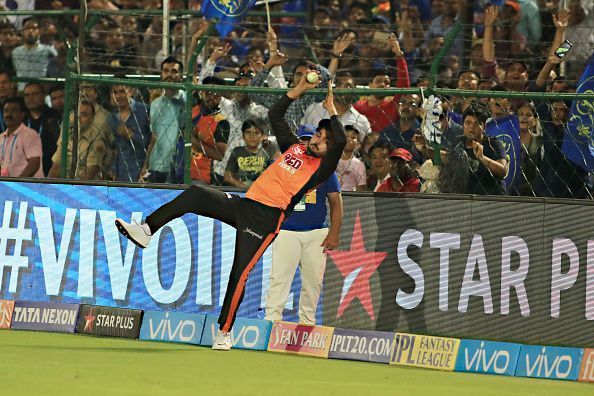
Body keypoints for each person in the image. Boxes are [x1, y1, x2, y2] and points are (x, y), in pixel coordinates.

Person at [115, 71, 346, 351]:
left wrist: (333, 113)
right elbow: (275, 115)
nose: (318, 140)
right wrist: (297, 89)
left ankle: (224, 332)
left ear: (329, 151)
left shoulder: (321, 170)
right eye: (318, 134)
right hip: (244, 205)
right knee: (196, 193)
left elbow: (341, 143)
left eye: (324, 140)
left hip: (265, 220)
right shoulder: (295, 148)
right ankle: (146, 230)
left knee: (239, 273)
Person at [265, 124, 343, 325]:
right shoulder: (286, 165)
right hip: (287, 230)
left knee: (313, 283)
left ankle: (307, 324)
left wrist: (334, 233)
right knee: (280, 279)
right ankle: (271, 323)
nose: (308, 143)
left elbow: (336, 202)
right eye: (303, 140)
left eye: (311, 139)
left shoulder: (325, 169)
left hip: (317, 232)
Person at [224, 118, 277, 188]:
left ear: (262, 136)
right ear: (243, 136)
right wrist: (244, 187)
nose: (252, 136)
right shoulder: (237, 152)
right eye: (248, 132)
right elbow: (227, 177)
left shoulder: (266, 153)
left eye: (256, 133)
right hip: (240, 190)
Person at [0, 96, 43, 178]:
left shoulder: (30, 135)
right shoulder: (1, 137)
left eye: (14, 111)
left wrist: (16, 185)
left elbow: (34, 165)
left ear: (22, 114)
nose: (8, 114)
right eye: (6, 111)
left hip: (29, 188)